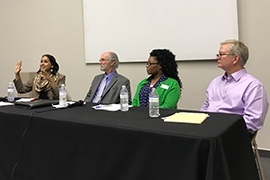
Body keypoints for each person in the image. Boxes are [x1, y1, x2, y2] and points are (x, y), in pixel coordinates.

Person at [201, 39, 269, 134]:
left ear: (235, 59)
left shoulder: (253, 86)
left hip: (233, 134)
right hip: (209, 131)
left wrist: (221, 127)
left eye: (222, 54)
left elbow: (253, 121)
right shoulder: (215, 82)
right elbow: (206, 107)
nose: (217, 58)